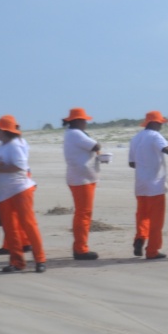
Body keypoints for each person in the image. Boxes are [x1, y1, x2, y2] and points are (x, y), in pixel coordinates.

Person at [0, 114, 44, 273]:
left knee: (28, 225)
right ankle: (17, 262)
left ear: (3, 130)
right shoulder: (2, 146)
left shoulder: (15, 145)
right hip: (5, 193)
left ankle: (40, 259)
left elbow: (18, 167)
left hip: (20, 190)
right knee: (10, 230)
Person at [128, 111, 168, 259]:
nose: (161, 126)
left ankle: (140, 238)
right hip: (155, 185)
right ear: (154, 123)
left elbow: (132, 163)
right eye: (160, 123)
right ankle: (152, 250)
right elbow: (167, 149)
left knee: (142, 216)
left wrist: (144, 167)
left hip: (140, 185)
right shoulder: (155, 136)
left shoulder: (136, 138)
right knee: (156, 221)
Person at [62, 107, 101, 260]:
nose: (86, 123)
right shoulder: (76, 134)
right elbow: (95, 146)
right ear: (78, 121)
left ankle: (80, 246)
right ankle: (80, 248)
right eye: (84, 120)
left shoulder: (71, 134)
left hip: (80, 177)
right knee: (83, 214)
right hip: (81, 179)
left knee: (82, 213)